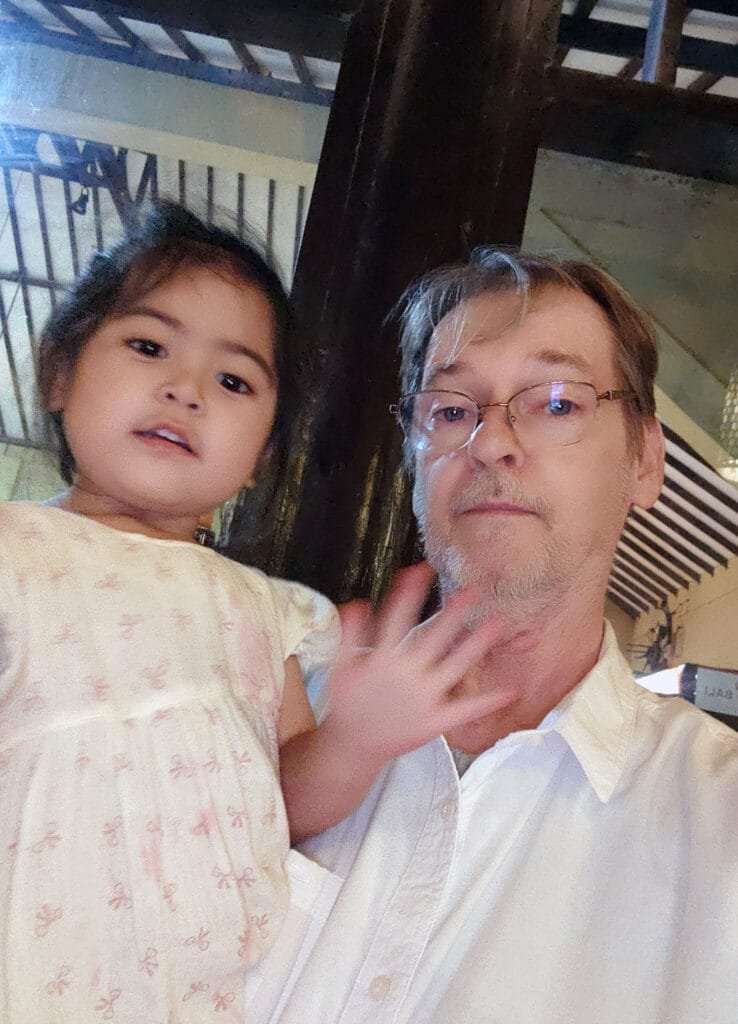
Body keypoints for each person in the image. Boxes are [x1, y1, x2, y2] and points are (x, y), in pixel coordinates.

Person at [0, 203, 510, 1024]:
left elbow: (282, 803)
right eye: (148, 346)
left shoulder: (262, 611)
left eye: (234, 381)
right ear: (60, 372)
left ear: (260, 458)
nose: (185, 390)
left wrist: (357, 738)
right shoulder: (15, 549)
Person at [245, 248, 738, 1024]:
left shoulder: (717, 818)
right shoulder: (269, 714)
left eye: (557, 403)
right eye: (450, 410)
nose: (489, 441)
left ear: (646, 461)